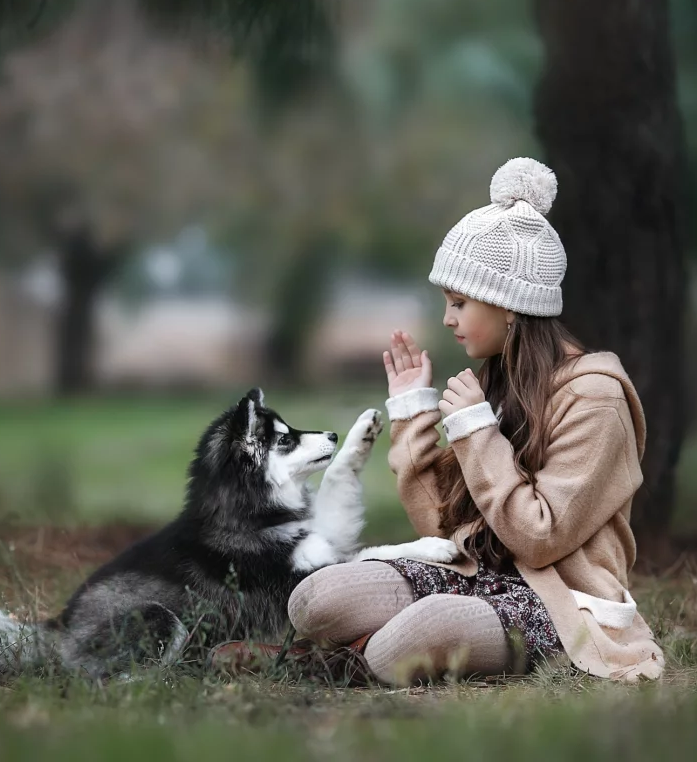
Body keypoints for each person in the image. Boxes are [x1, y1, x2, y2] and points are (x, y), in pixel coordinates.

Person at [217, 157, 664, 685]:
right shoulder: (495, 386)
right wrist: (412, 416)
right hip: (473, 578)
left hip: (562, 603)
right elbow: (443, 533)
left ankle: (334, 662)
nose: (448, 319)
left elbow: (541, 538)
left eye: (459, 302)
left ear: (510, 307)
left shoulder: (596, 399)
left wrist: (478, 434)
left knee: (406, 641)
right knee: (316, 600)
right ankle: (356, 651)